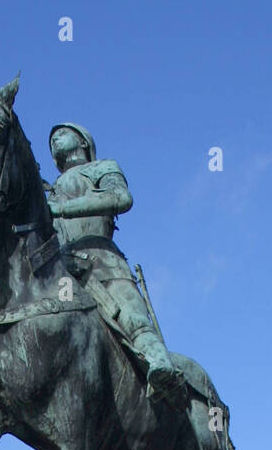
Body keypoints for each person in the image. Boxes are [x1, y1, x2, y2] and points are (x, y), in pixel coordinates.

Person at [47, 123, 188, 409]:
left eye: (63, 133)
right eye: (52, 138)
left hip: (101, 261)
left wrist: (60, 209)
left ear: (83, 142)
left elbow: (121, 198)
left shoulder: (102, 167)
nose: (55, 138)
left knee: (133, 319)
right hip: (61, 271)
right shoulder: (48, 191)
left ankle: (159, 365)